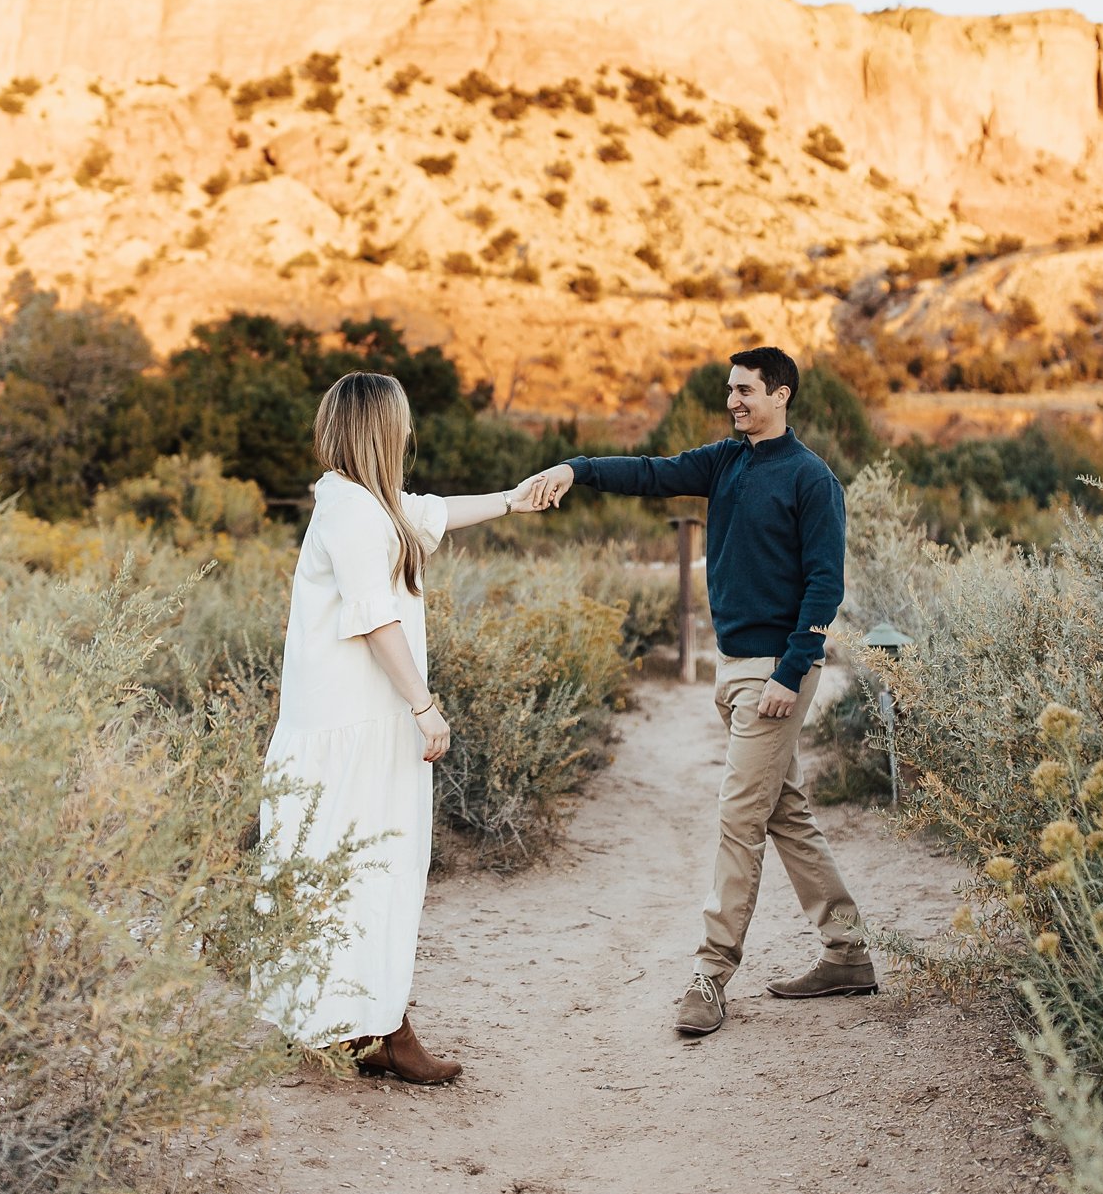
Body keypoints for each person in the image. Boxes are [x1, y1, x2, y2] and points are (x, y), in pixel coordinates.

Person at [525, 345, 875, 1036]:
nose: (733, 401)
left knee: (738, 819)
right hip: (732, 664)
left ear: (780, 394)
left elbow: (824, 584)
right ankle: (847, 952)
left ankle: (711, 974)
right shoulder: (724, 461)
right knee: (784, 811)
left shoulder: (811, 479)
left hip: (774, 673)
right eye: (730, 390)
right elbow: (650, 473)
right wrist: (576, 468)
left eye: (745, 390)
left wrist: (791, 671)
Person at [257, 368, 546, 1082]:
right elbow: (374, 618)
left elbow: (432, 511)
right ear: (381, 430)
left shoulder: (363, 503)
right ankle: (370, 1028)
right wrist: (424, 705)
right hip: (355, 727)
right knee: (367, 872)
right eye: (403, 422)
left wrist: (512, 499)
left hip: (357, 724)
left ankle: (358, 1024)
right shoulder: (352, 511)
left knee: (355, 872)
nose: (410, 431)